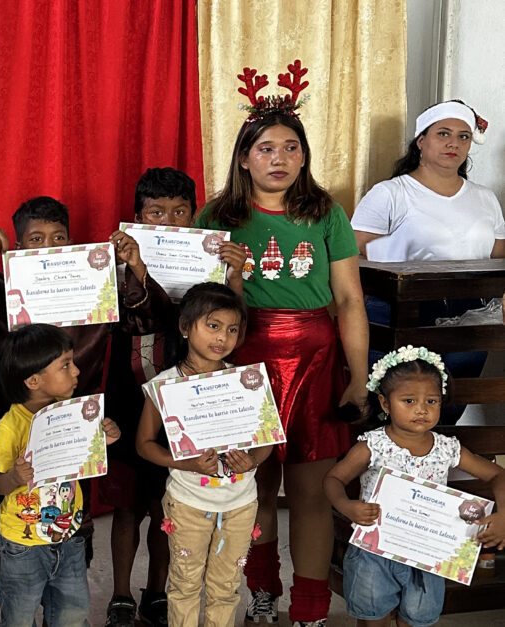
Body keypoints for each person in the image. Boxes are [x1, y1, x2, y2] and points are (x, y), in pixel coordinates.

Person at [194, 61, 368, 627]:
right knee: (255, 487)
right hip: (243, 358)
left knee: (313, 493)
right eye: (266, 148)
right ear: (244, 157)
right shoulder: (217, 216)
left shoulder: (327, 213)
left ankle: (311, 609)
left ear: (304, 156)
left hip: (316, 361)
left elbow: (349, 300)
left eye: (291, 148)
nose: (280, 158)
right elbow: (201, 307)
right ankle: (262, 591)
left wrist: (358, 376)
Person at [0, 195, 172, 587]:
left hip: (74, 429)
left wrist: (136, 267)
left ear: (70, 243)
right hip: (11, 425)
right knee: (15, 527)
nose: (48, 247)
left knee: (69, 533)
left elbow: (148, 321)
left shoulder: (93, 286)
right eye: (36, 239)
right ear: (18, 247)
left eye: (58, 238)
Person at [325, 346, 505, 627]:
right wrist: (346, 506)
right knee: (373, 619)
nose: (421, 409)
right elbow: (334, 479)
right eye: (408, 400)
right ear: (385, 404)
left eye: (432, 401)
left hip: (428, 555)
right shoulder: (372, 446)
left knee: (417, 619)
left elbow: (498, 475)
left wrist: (503, 514)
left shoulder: (447, 449)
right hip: (375, 552)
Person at [351, 100, 502, 421]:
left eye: (463, 136)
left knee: (447, 408)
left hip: (469, 315)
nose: (453, 143)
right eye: (443, 133)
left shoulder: (484, 198)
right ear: (421, 141)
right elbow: (352, 254)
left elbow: (497, 255)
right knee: (393, 414)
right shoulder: (390, 193)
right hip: (399, 312)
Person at [101, 167, 204, 627]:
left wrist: (233, 273)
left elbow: (216, 319)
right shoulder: (113, 266)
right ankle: (121, 593)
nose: (168, 222)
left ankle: (157, 592)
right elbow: (142, 318)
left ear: (194, 217)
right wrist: (134, 266)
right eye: (156, 212)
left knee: (169, 505)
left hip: (183, 400)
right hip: (128, 397)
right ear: (137, 217)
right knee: (126, 507)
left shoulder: (204, 262)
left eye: (180, 212)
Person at [135, 282, 269, 627]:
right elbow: (144, 444)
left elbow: (267, 438)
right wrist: (185, 462)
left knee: (226, 586)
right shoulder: (165, 386)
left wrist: (253, 460)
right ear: (185, 327)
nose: (222, 337)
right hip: (188, 502)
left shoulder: (246, 381)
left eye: (232, 329)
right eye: (213, 325)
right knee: (184, 584)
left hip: (240, 502)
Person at [0, 323, 121, 626]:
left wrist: (104, 439)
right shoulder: (10, 427)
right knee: (18, 616)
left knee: (73, 610)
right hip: (22, 543)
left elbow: (84, 456)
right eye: (65, 365)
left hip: (69, 533)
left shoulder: (71, 412)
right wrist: (15, 477)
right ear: (33, 380)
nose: (76, 371)